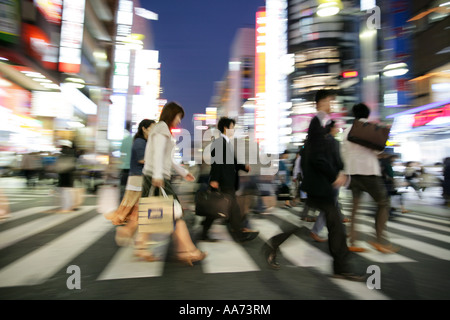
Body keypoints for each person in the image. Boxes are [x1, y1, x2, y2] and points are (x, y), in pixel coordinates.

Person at [265, 89, 365, 281]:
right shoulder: (317, 122)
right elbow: (317, 155)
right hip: (320, 183)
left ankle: (274, 245)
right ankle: (341, 267)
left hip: (319, 184)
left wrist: (338, 170)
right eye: (329, 100)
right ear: (320, 102)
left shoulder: (323, 123)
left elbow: (324, 153)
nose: (331, 104)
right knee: (334, 224)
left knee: (313, 223)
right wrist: (333, 174)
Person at [141, 101, 206, 265]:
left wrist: (184, 173)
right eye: (178, 116)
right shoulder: (162, 129)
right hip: (157, 178)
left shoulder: (162, 130)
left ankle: (141, 247)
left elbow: (167, 159)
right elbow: (157, 156)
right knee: (174, 214)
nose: (179, 121)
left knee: (160, 213)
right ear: (172, 114)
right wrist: (157, 176)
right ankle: (188, 251)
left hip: (157, 176)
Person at [341, 103, 398, 253]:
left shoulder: (346, 131)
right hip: (369, 172)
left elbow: (343, 154)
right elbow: (378, 150)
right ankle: (379, 240)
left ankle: (352, 241)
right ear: (367, 114)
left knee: (355, 207)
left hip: (352, 174)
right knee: (383, 203)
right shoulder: (370, 129)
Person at [104, 119, 156, 253]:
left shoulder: (140, 141)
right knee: (142, 210)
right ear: (144, 129)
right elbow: (142, 160)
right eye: (152, 128)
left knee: (140, 210)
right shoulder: (140, 142)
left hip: (135, 176)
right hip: (138, 178)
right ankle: (129, 232)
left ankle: (136, 238)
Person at [205, 117, 259, 242]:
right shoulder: (219, 142)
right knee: (233, 208)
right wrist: (214, 179)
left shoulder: (226, 142)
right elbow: (217, 163)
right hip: (223, 181)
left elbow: (232, 163)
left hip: (226, 181)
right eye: (232, 127)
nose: (233, 130)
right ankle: (239, 234)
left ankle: (205, 231)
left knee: (215, 209)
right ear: (225, 128)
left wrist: (243, 167)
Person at [309, 120, 350, 243]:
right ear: (331, 128)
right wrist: (341, 174)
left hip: (324, 178)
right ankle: (316, 231)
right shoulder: (334, 142)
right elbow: (338, 161)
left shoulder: (320, 142)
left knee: (334, 206)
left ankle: (340, 232)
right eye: (336, 127)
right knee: (330, 206)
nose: (338, 129)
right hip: (333, 178)